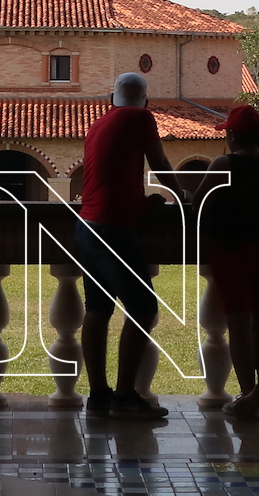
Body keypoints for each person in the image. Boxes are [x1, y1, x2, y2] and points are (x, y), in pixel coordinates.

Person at [73, 71, 173, 419]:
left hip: (87, 224)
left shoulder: (98, 124)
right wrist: (184, 194)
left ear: (109, 99)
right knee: (143, 309)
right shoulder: (141, 117)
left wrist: (141, 203)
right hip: (115, 229)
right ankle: (126, 396)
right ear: (146, 102)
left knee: (98, 310)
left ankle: (99, 396)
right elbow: (159, 163)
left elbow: (112, 178)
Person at [205, 104, 259, 415]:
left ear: (234, 136)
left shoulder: (222, 164)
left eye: (227, 133)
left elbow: (200, 202)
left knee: (237, 324)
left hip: (231, 250)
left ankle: (246, 393)